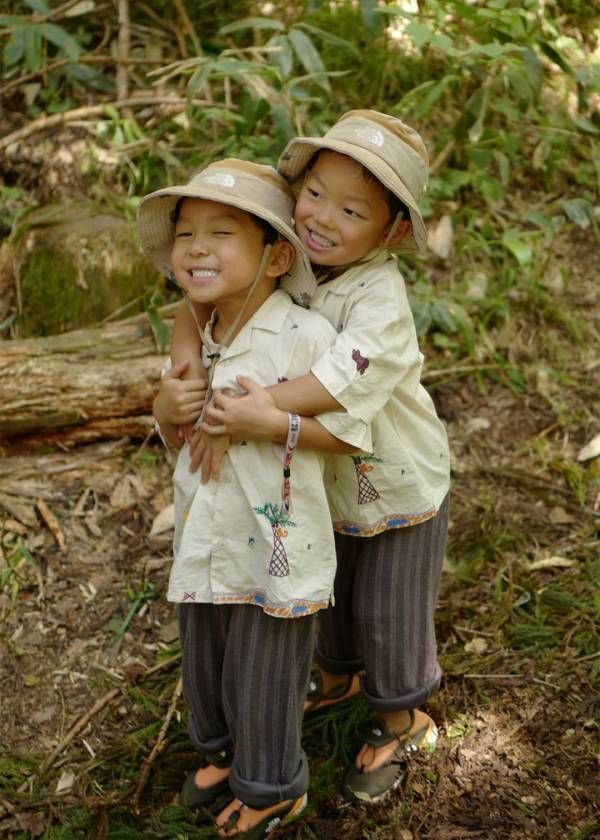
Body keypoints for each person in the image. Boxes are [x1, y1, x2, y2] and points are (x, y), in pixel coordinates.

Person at [184, 111, 452, 804]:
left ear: (391, 231)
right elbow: (199, 299)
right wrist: (182, 364)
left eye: (353, 208)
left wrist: (262, 410)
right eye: (314, 193)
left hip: (394, 485)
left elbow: (339, 381)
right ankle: (337, 677)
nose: (323, 218)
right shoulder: (290, 259)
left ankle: (401, 715)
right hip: (319, 480)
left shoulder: (378, 298)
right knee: (332, 596)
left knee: (387, 606)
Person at [139, 158, 366, 837]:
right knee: (205, 644)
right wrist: (164, 407)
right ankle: (218, 750)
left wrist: (270, 421)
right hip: (208, 533)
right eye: (185, 234)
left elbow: (351, 433)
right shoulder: (200, 334)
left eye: (221, 233)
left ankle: (271, 784)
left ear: (275, 257)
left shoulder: (303, 337)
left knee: (266, 663)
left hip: (276, 543)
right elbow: (180, 440)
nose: (197, 248)